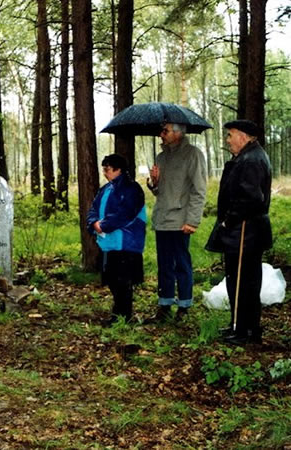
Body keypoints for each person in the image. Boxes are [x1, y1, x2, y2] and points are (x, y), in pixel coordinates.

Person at [205, 120, 272, 345]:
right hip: (245, 229)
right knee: (242, 281)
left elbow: (252, 198)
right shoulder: (248, 156)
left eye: (230, 135)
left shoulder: (251, 160)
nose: (227, 140)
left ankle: (243, 332)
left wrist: (228, 220)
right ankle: (243, 327)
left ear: (243, 136)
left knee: (243, 281)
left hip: (245, 229)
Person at [146, 123, 207, 322]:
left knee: (181, 263)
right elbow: (159, 192)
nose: (161, 134)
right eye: (161, 130)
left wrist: (193, 220)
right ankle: (164, 305)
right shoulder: (161, 157)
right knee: (164, 264)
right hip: (162, 219)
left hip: (181, 221)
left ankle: (184, 307)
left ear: (178, 133)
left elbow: (199, 191)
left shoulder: (193, 155)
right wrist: (154, 182)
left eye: (165, 131)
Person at [87, 154, 146, 324]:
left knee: (123, 281)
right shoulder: (106, 189)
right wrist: (93, 223)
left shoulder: (132, 189)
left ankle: (123, 316)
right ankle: (118, 314)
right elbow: (94, 208)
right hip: (109, 243)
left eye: (107, 169)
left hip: (126, 242)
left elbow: (126, 214)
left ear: (118, 170)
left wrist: (103, 225)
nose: (105, 173)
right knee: (113, 280)